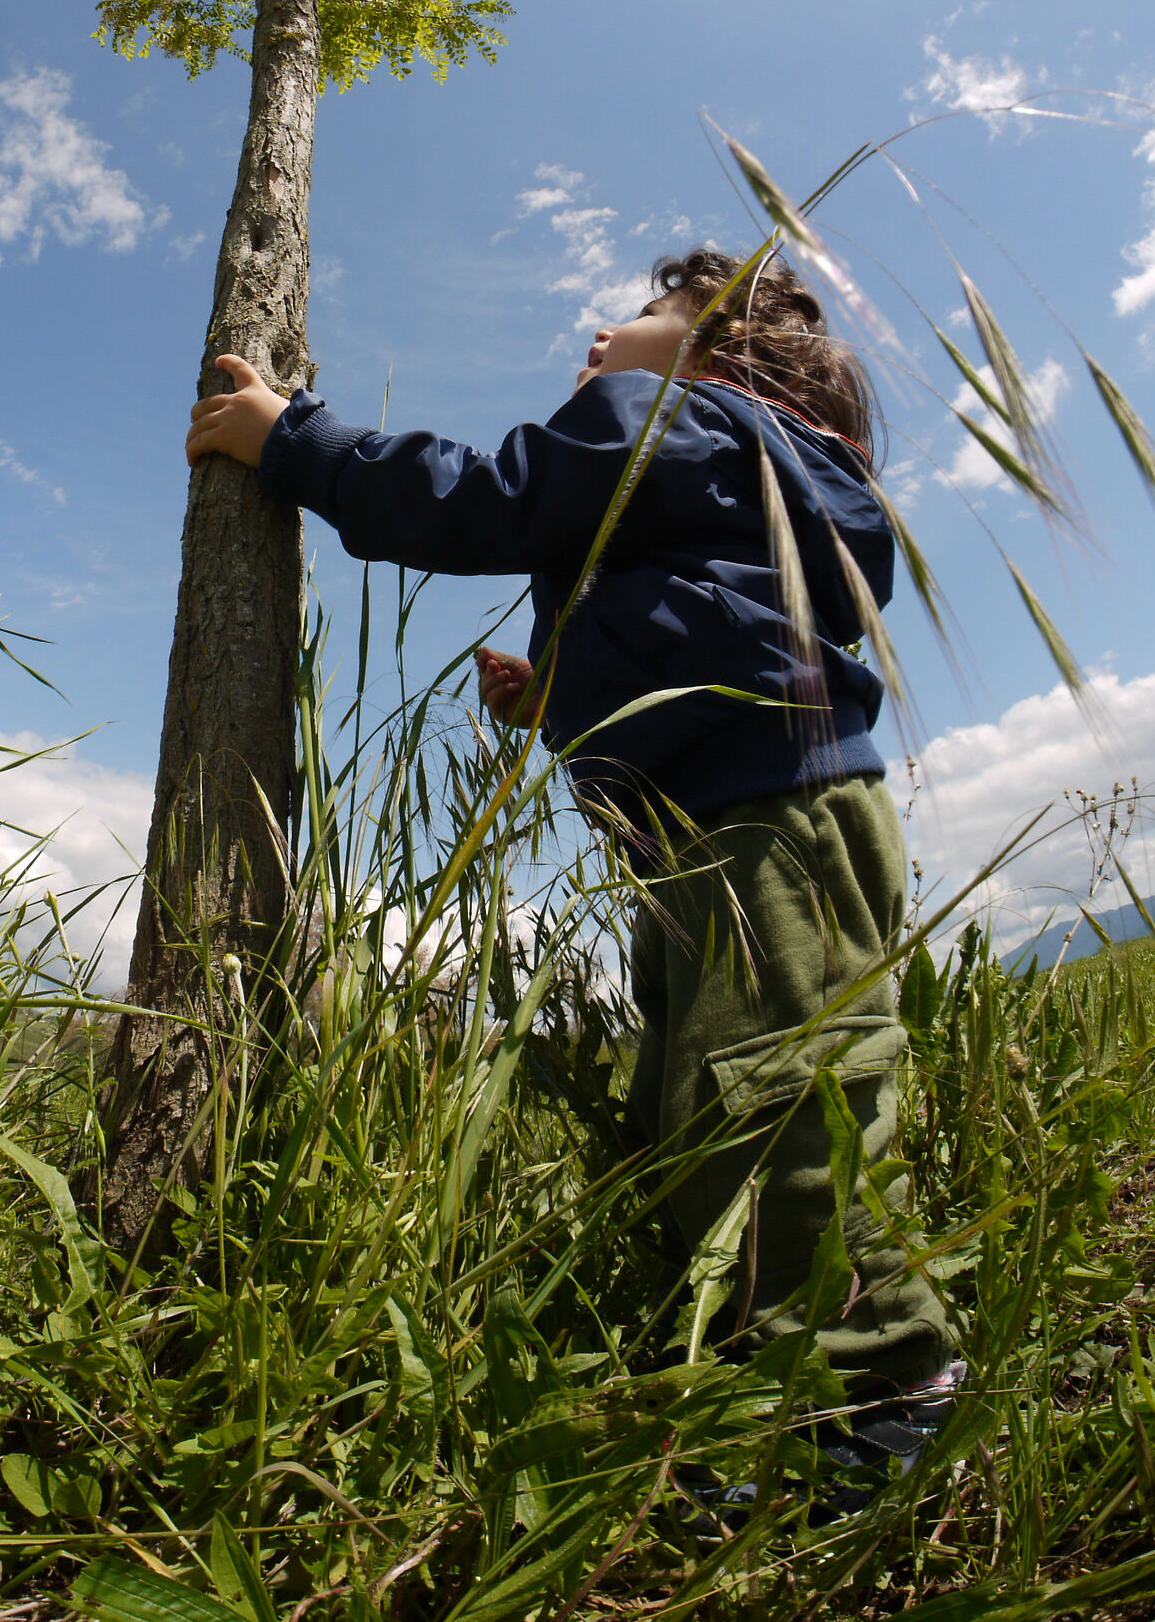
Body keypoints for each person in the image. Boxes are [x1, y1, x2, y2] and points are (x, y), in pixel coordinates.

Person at [184, 247, 962, 1479]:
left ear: (722, 345)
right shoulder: (743, 468)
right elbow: (704, 626)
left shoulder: (684, 415)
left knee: (776, 1099)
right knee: (695, 1103)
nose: (598, 338)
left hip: (762, 819)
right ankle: (747, 1356)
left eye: (640, 315)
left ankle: (877, 1390)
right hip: (725, 825)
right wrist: (549, 699)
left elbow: (494, 498)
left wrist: (294, 443)